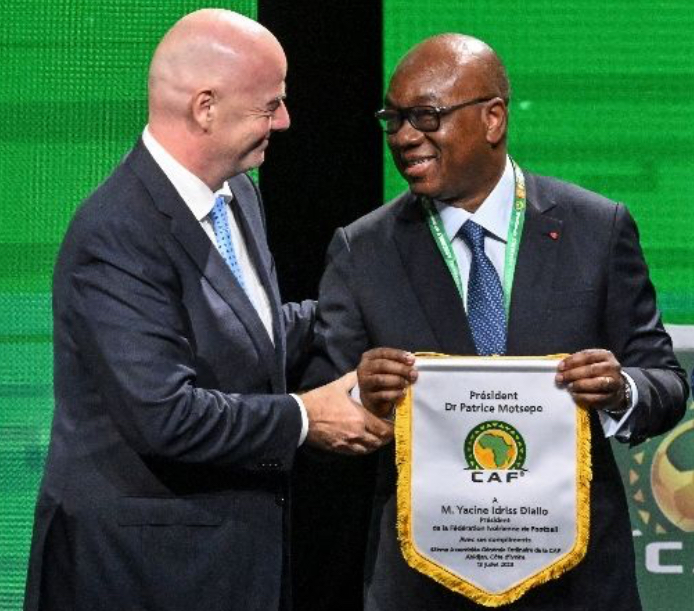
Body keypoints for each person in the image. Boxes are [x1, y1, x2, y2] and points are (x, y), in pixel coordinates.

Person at [302, 34, 688, 611]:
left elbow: (666, 382)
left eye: (425, 116)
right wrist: (364, 395)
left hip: (576, 583)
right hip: (425, 586)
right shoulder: (363, 249)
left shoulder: (596, 228)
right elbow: (323, 413)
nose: (404, 137)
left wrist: (620, 389)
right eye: (394, 119)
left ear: (493, 119)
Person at [23, 9, 392, 611]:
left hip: (228, 561)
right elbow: (165, 415)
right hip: (140, 573)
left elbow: (249, 332)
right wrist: (306, 417)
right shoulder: (116, 232)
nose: (285, 120)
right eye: (270, 105)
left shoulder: (236, 193)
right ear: (205, 108)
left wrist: (366, 310)